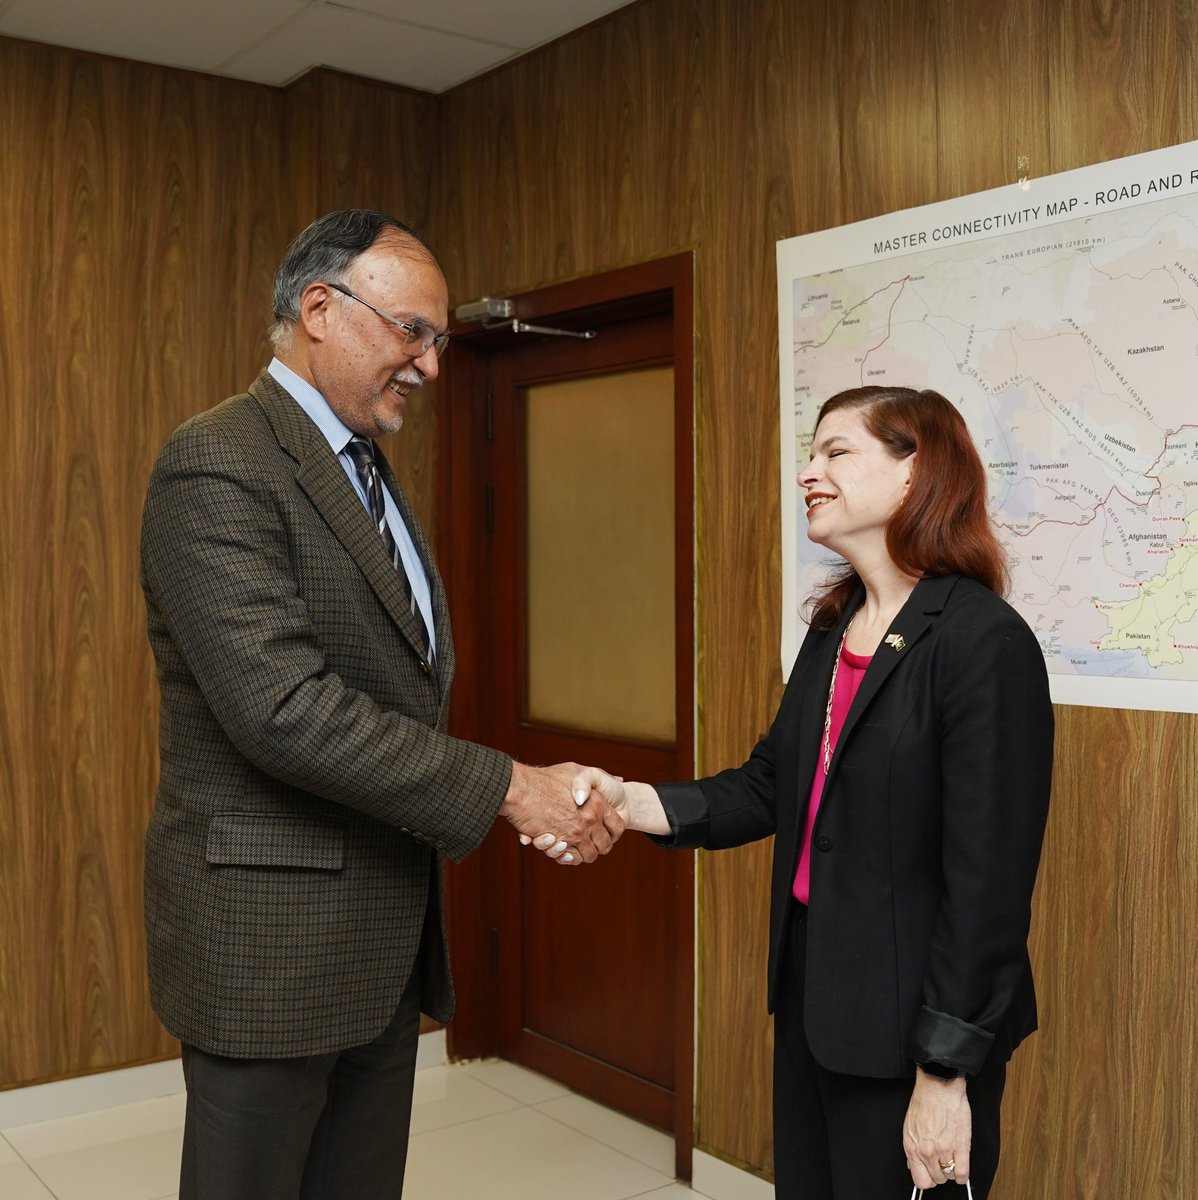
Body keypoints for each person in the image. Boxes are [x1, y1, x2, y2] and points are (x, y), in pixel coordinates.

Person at [139, 208, 621, 1200]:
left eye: (438, 342)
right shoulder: (219, 461)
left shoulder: (365, 468)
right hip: (269, 955)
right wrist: (509, 788)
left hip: (379, 951)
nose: (431, 367)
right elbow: (283, 708)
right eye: (414, 333)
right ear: (319, 308)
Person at [559, 386, 1053, 1198]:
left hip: (912, 1029)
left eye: (837, 452)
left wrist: (944, 1072)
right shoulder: (835, 629)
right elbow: (769, 786)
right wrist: (630, 801)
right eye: (810, 454)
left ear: (914, 472)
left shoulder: (981, 642)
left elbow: (989, 889)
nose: (809, 474)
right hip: (817, 1004)